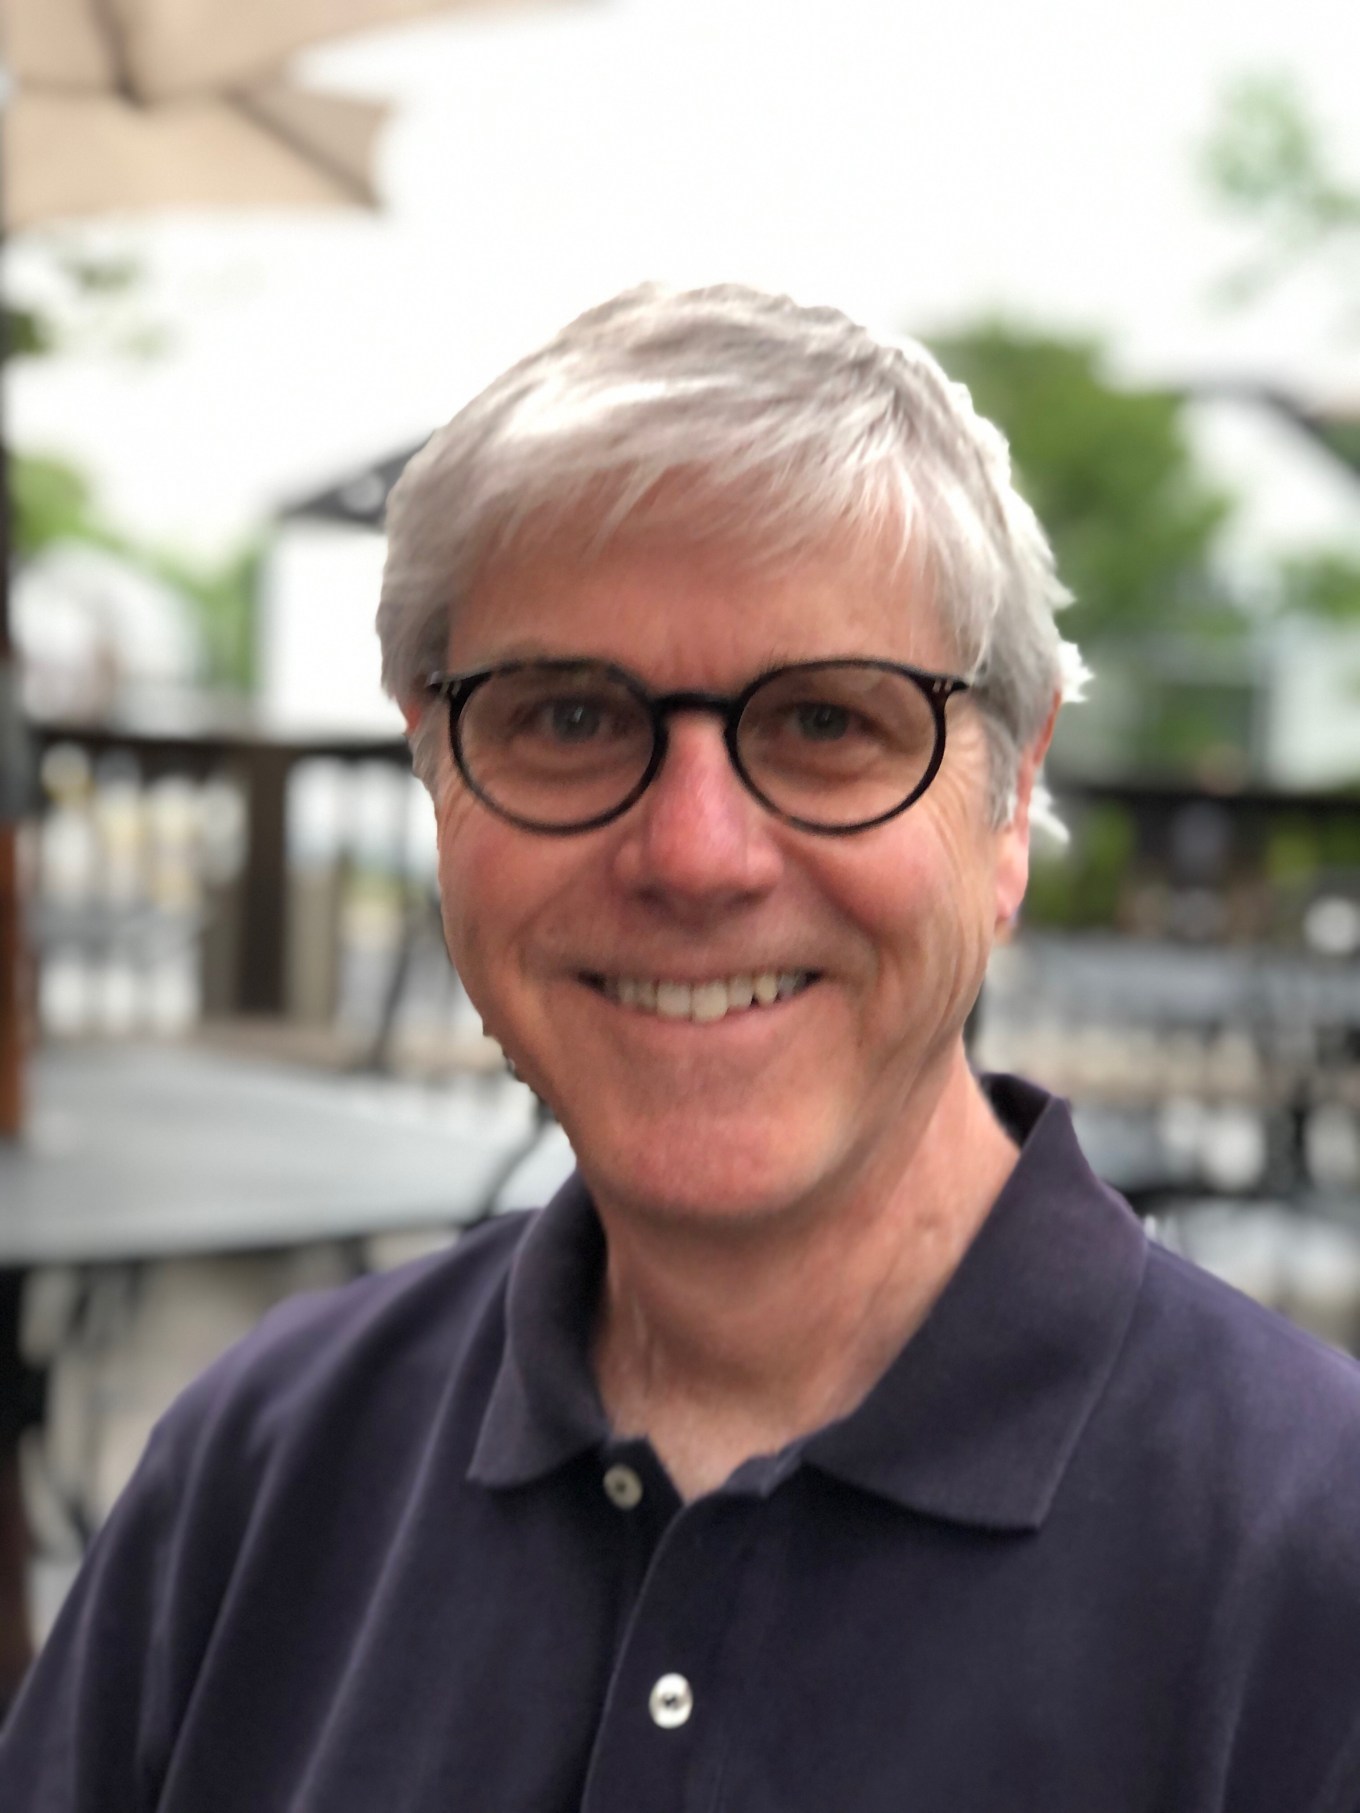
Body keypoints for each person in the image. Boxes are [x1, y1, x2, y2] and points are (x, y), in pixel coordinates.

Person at [4, 283, 1360, 1812]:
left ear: (1010, 799)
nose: (696, 853)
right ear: (434, 770)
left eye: (828, 722)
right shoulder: (256, 1474)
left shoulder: (1313, 1564)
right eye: (570, 717)